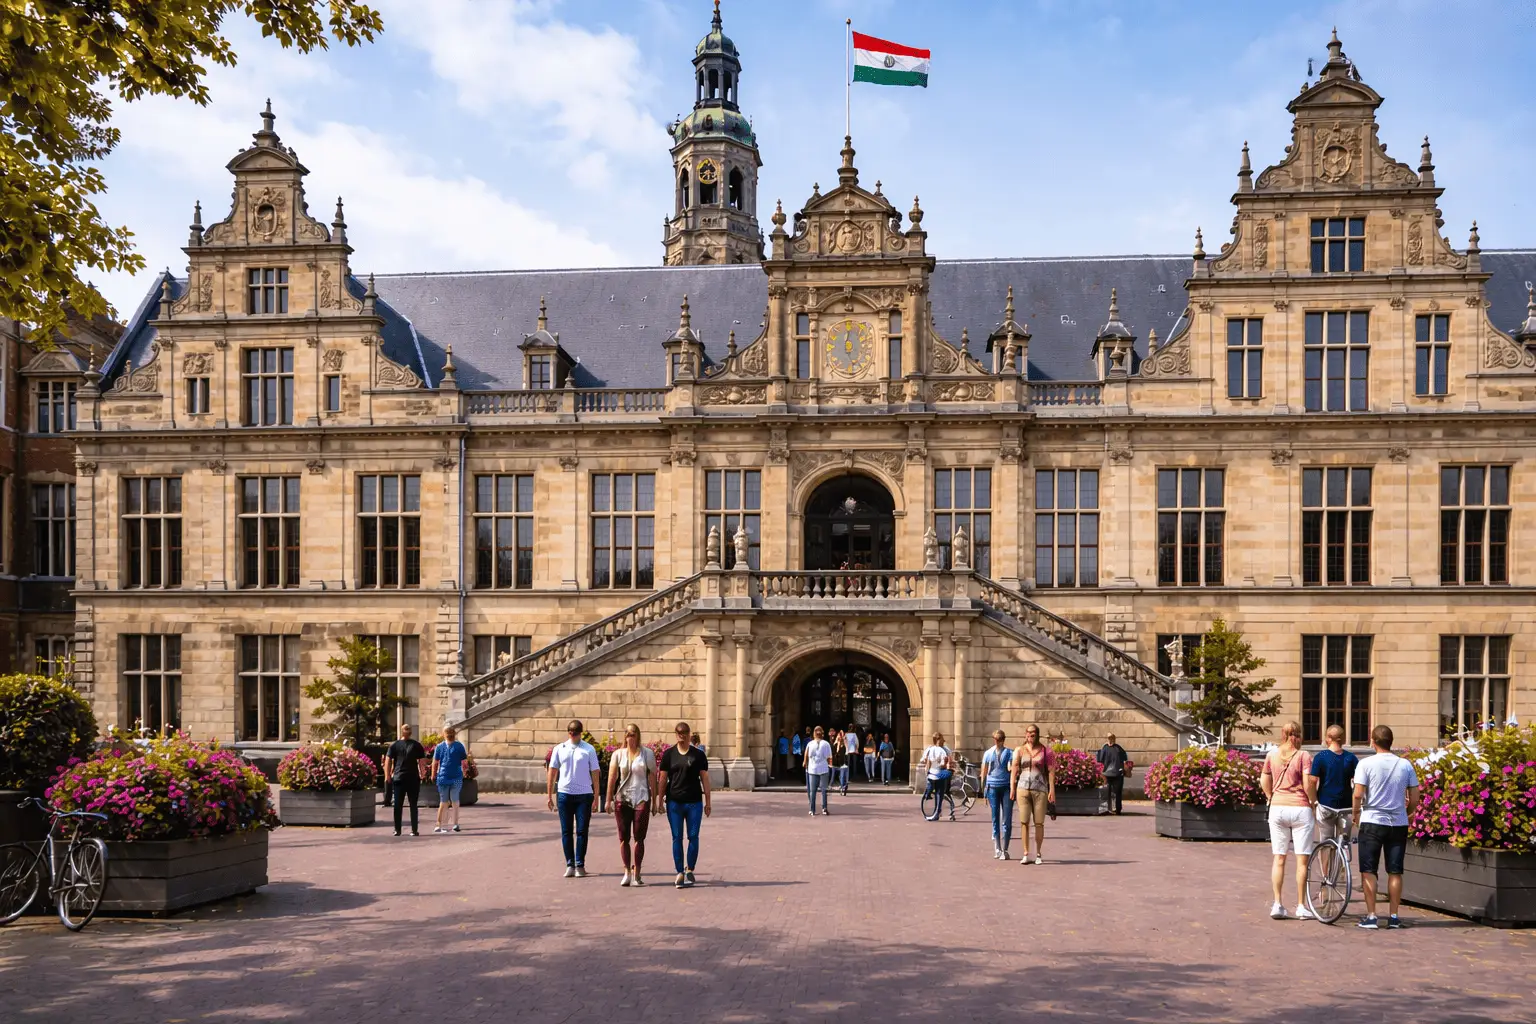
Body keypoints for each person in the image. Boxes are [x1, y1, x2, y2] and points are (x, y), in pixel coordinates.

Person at [1352, 724, 1420, 930]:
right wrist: (1409, 811)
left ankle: (1372, 916)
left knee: (1368, 870)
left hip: (1372, 820)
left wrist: (1356, 812)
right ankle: (1394, 916)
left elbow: (1358, 794)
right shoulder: (1405, 765)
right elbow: (1415, 795)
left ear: (1373, 742)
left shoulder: (1366, 764)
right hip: (1398, 822)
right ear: (1391, 742)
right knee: (1395, 871)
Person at [1261, 721, 1317, 920]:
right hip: (1300, 807)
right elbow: (1306, 782)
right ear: (1298, 735)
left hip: (1278, 807)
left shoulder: (1271, 754)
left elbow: (1264, 779)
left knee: (1279, 858)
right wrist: (1313, 801)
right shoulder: (1303, 756)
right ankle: (1301, 906)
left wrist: (1270, 796)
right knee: (1302, 860)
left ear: (1282, 734)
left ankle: (1277, 903)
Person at [658, 721, 711, 889]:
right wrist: (659, 800)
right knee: (677, 837)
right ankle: (679, 871)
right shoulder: (669, 755)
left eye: (684, 733)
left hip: (694, 802)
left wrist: (708, 802)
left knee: (693, 836)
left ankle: (690, 869)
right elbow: (662, 779)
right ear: (676, 734)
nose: (681, 736)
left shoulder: (698, 755)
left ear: (689, 735)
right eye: (679, 733)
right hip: (674, 802)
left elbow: (705, 778)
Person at [546, 719, 601, 878]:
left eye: (576, 732)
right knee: (566, 830)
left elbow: (595, 773)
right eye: (570, 732)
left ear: (580, 733)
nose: (573, 735)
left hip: (584, 794)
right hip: (564, 793)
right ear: (568, 732)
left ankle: (580, 864)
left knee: (582, 830)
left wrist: (596, 797)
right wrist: (549, 794)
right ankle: (570, 863)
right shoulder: (559, 749)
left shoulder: (588, 749)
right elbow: (552, 771)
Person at [606, 724, 658, 887]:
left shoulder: (647, 754)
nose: (630, 737)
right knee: (623, 837)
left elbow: (652, 779)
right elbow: (612, 778)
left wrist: (655, 801)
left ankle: (637, 872)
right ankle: (627, 871)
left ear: (638, 735)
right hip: (623, 798)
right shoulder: (618, 754)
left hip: (641, 797)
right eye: (627, 734)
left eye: (633, 734)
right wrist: (608, 799)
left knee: (639, 837)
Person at [1010, 724, 1055, 863]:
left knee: (1039, 822)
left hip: (1040, 789)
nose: (1030, 736)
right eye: (1028, 733)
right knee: (1024, 821)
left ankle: (1039, 853)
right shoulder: (1019, 750)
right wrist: (1012, 787)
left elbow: (1051, 771)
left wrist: (1052, 789)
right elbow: (1014, 769)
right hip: (1022, 788)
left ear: (1037, 734)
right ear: (1025, 734)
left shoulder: (1045, 751)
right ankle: (1025, 852)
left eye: (1033, 733)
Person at [1309, 724, 1359, 847]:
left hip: (1326, 803)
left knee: (1325, 842)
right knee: (1344, 843)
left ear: (1328, 738)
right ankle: (1343, 865)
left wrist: (1313, 801)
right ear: (1343, 739)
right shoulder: (1351, 758)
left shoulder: (1320, 757)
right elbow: (1358, 782)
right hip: (1346, 806)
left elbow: (1313, 781)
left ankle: (1325, 867)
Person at [382, 723, 427, 837]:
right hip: (412, 778)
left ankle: (397, 830)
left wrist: (387, 776)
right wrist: (423, 774)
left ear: (401, 732)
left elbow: (388, 761)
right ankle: (414, 830)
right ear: (410, 732)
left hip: (399, 778)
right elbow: (422, 762)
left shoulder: (394, 745)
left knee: (398, 805)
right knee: (413, 805)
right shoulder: (417, 745)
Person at [981, 730, 1015, 859]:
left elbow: (1012, 770)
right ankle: (997, 848)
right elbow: (984, 772)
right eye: (995, 738)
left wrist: (1013, 786)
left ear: (1003, 740)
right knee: (995, 817)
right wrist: (984, 789)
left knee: (1007, 818)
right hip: (992, 786)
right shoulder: (988, 753)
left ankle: (1005, 849)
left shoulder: (1009, 753)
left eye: (999, 739)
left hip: (1006, 786)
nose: (997, 741)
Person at [430, 725, 469, 834]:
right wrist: (465, 772)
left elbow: (435, 762)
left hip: (444, 776)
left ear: (444, 734)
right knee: (454, 801)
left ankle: (440, 824)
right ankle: (454, 824)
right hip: (454, 776)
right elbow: (464, 762)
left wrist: (433, 774)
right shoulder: (459, 746)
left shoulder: (440, 747)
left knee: (444, 802)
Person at [919, 732, 954, 821]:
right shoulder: (932, 749)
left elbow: (949, 761)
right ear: (938, 740)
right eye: (942, 739)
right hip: (934, 774)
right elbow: (926, 761)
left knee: (941, 793)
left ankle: (938, 811)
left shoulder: (945, 749)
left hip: (941, 774)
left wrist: (946, 765)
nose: (943, 740)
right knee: (936, 791)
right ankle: (936, 808)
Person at [1096, 733, 1133, 815]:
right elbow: (1125, 758)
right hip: (1118, 773)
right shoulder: (1118, 748)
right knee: (1118, 792)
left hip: (1107, 773)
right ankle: (1118, 809)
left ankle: (1107, 808)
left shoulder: (1104, 748)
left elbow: (1099, 759)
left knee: (1106, 792)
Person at [804, 725, 833, 815]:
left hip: (812, 769)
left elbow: (806, 755)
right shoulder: (826, 744)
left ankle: (812, 810)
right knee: (824, 790)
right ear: (822, 734)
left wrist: (805, 764)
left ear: (814, 734)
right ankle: (824, 808)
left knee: (813, 791)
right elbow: (829, 757)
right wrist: (830, 766)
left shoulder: (810, 744)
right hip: (823, 768)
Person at [830, 729, 848, 795]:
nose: (839, 738)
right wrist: (836, 742)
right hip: (836, 764)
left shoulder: (844, 745)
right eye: (838, 736)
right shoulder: (835, 745)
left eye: (840, 737)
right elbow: (834, 752)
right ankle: (841, 787)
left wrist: (843, 741)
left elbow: (846, 752)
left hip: (842, 764)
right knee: (836, 776)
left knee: (842, 776)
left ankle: (843, 788)